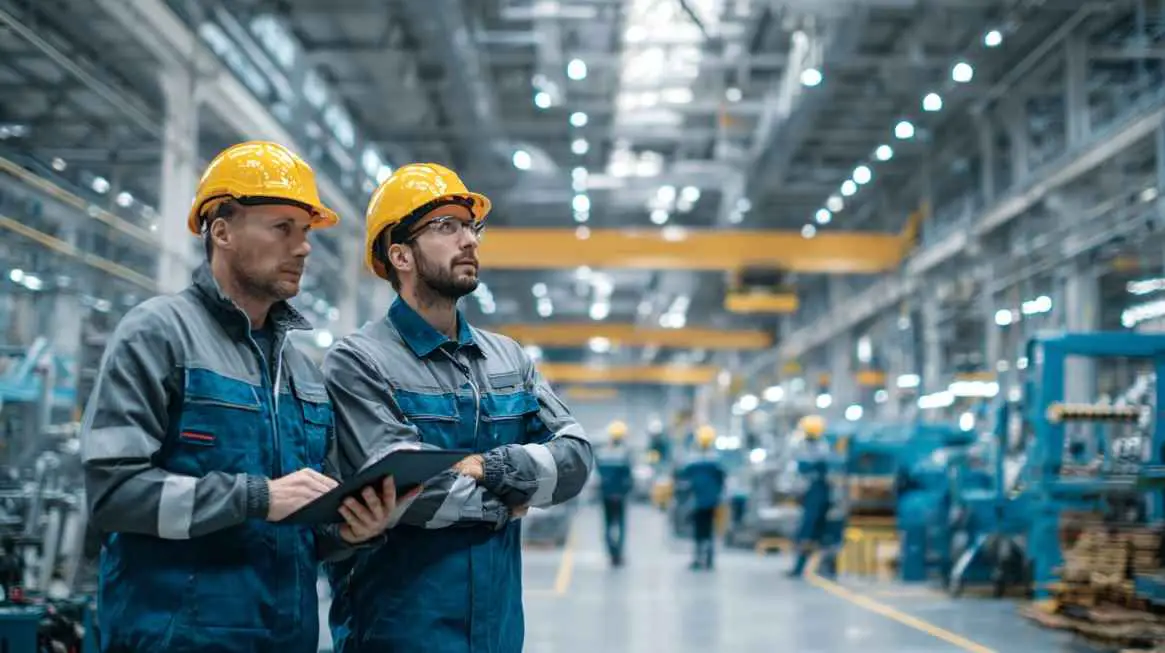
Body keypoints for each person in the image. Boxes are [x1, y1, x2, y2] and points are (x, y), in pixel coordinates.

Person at [80, 141, 402, 653]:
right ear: (222, 230)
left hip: (286, 638)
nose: (303, 248)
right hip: (175, 639)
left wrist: (350, 531)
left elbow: (301, 528)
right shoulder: (159, 335)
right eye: (282, 228)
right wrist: (256, 496)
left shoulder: (303, 373)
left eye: (306, 232)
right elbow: (113, 497)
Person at [322, 162, 594, 653]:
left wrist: (488, 466)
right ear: (400, 254)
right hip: (398, 634)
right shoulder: (360, 361)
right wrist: (509, 500)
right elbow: (401, 491)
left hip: (498, 634)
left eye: (471, 226)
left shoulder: (508, 359)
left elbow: (575, 459)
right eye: (446, 227)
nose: (469, 240)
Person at [788, 414, 833, 578]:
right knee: (814, 530)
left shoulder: (819, 450)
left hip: (817, 494)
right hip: (815, 493)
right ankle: (811, 567)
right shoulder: (819, 447)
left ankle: (804, 567)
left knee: (810, 530)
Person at [676, 425, 725, 570]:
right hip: (710, 500)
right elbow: (721, 480)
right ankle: (708, 558)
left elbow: (683, 480)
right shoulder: (715, 459)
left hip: (697, 500)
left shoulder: (692, 460)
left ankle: (699, 558)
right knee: (708, 529)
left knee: (699, 529)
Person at [595, 420, 634, 566]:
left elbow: (596, 475)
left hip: (605, 495)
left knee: (608, 524)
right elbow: (629, 477)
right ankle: (619, 554)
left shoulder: (601, 453)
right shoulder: (625, 454)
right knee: (620, 525)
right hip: (620, 495)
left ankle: (611, 552)